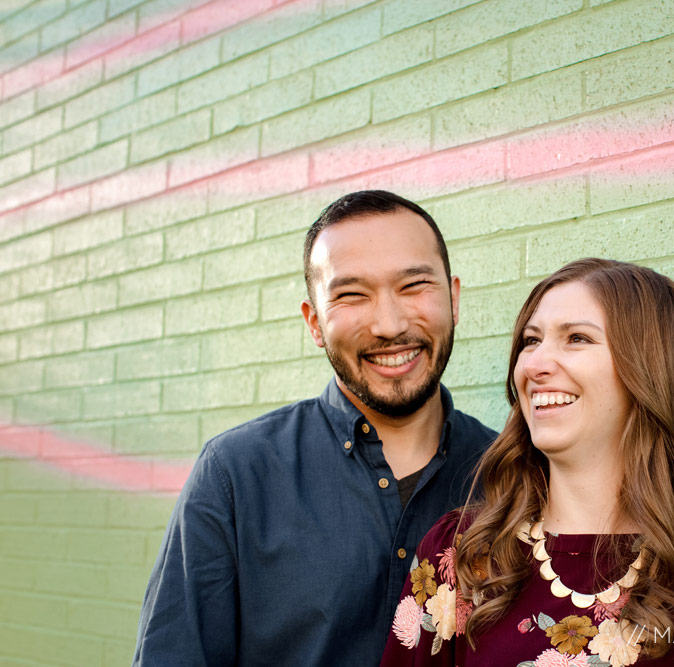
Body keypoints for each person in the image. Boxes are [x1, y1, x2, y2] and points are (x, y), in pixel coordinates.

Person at [382, 258, 674, 666]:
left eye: (577, 338)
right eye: (531, 341)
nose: (535, 363)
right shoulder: (459, 555)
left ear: (649, 368)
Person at [133, 191, 496, 666]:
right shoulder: (235, 474)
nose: (389, 324)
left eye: (413, 286)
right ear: (314, 323)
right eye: (351, 295)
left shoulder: (512, 475)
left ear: (454, 298)